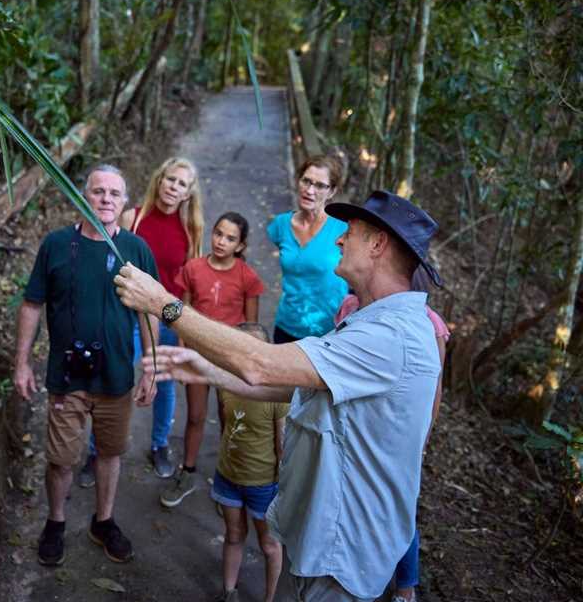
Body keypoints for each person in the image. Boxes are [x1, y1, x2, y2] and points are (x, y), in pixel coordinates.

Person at [114, 190, 444, 601]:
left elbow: (261, 363)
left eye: (351, 233)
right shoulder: (369, 320)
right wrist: (207, 369)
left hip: (343, 555)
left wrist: (163, 304)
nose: (339, 240)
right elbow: (296, 381)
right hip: (319, 540)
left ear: (378, 244)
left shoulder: (389, 337)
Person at [12, 164, 159, 567]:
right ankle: (56, 522)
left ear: (125, 202)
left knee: (110, 453)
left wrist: (151, 367)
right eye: (98, 191)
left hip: (115, 377)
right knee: (61, 458)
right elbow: (31, 305)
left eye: (114, 193)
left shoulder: (135, 250)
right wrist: (22, 363)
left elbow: (151, 312)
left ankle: (103, 521)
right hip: (66, 375)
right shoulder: (56, 245)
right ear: (83, 197)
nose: (106, 199)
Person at [81, 157, 204, 483]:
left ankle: (160, 444)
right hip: (127, 314)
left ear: (188, 193)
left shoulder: (191, 230)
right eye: (170, 179)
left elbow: (189, 281)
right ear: (159, 180)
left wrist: (184, 328)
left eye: (181, 183)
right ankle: (96, 452)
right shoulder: (132, 217)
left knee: (163, 383)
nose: (173, 187)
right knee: (113, 381)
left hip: (165, 316)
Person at [334, 267, 450, 602]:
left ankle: (405, 586)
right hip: (358, 429)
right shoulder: (351, 306)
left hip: (399, 434)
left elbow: (434, 389)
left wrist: (422, 440)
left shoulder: (429, 324)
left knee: (399, 508)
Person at [160, 212, 264, 507]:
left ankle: (228, 483)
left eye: (230, 238)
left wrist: (244, 363)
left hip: (229, 359)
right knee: (195, 416)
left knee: (230, 419)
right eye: (218, 233)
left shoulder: (247, 276)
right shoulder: (193, 268)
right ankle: (188, 472)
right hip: (196, 354)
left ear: (241, 245)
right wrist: (182, 352)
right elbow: (183, 313)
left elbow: (252, 330)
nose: (221, 241)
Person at [213, 322, 285, 602]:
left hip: (263, 484)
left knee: (268, 544)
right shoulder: (226, 384)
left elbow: (282, 446)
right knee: (233, 534)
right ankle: (229, 592)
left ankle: (269, 598)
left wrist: (282, 488)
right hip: (228, 476)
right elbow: (225, 426)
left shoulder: (277, 394)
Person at [267, 155, 348, 344]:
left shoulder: (344, 230)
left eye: (320, 185)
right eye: (306, 181)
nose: (310, 190)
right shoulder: (280, 225)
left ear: (332, 191)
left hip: (329, 332)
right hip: (286, 325)